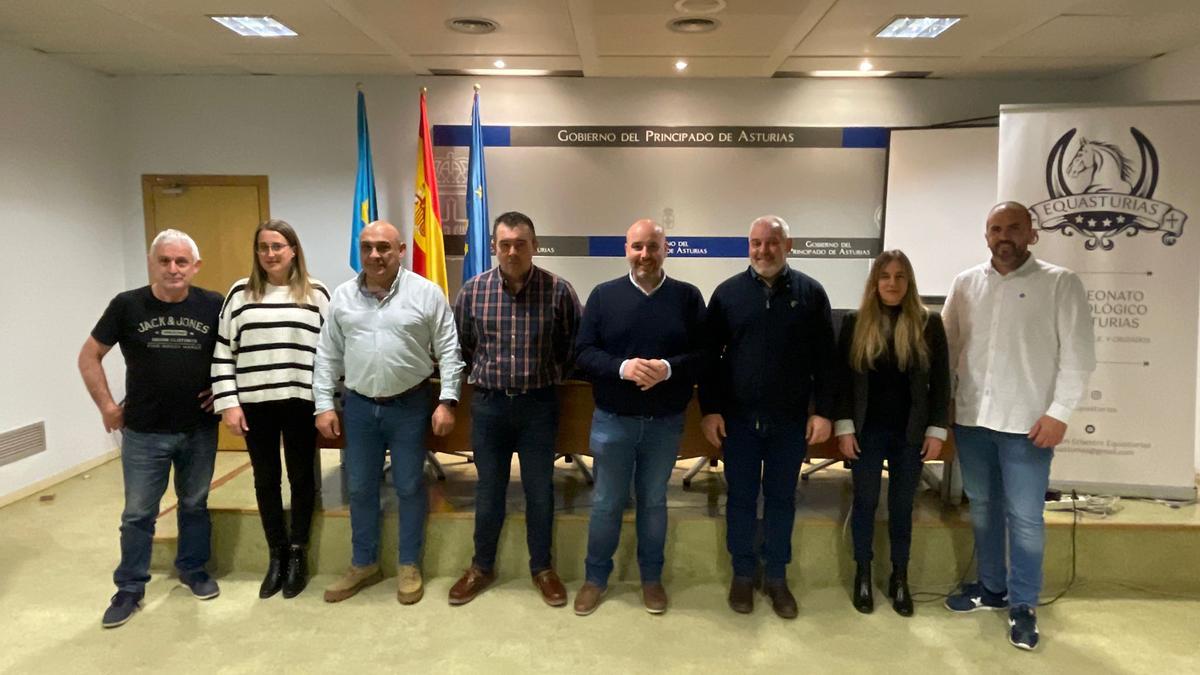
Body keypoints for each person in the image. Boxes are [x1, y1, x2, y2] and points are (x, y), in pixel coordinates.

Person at [941, 201, 1095, 651]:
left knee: (1025, 519)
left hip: (1029, 424)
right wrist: (946, 404)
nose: (1003, 236)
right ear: (985, 235)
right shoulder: (965, 284)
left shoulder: (1061, 283)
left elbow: (1079, 355)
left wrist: (1060, 413)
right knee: (984, 508)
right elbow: (949, 348)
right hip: (972, 421)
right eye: (995, 229)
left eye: (1013, 228)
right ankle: (991, 589)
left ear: (1032, 234)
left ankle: (1023, 604)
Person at [78, 229, 224, 628]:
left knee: (194, 505)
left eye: (181, 262)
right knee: (138, 514)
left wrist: (225, 391)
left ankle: (193, 570)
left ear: (195, 266)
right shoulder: (127, 306)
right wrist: (107, 405)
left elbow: (235, 355)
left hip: (198, 429)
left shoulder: (214, 304)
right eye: (165, 260)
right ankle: (129, 587)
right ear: (152, 263)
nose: (173, 269)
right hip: (144, 432)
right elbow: (89, 356)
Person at [312, 220, 464, 605]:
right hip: (359, 407)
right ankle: (364, 563)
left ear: (400, 251)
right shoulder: (343, 297)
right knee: (360, 488)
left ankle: (409, 564)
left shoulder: (427, 294)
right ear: (359, 252)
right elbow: (327, 356)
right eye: (367, 247)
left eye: (383, 247)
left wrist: (447, 401)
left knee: (410, 486)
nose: (375, 255)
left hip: (410, 406)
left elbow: (449, 351)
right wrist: (324, 404)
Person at [700, 215, 835, 619]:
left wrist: (824, 411)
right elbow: (709, 360)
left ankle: (776, 576)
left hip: (789, 422)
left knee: (781, 500)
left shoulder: (811, 294)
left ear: (788, 246)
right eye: (756, 243)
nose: (763, 250)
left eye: (772, 242)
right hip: (738, 422)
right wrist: (710, 411)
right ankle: (743, 575)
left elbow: (827, 361)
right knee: (740, 499)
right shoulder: (727, 295)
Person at [572, 219, 706, 616]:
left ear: (666, 249)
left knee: (653, 502)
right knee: (606, 503)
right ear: (625, 249)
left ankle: (651, 579)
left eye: (653, 246)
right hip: (614, 420)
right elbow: (582, 354)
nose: (645, 255)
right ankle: (595, 579)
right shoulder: (602, 296)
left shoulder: (687, 297)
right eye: (637, 247)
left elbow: (705, 356)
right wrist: (622, 367)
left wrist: (667, 368)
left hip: (665, 422)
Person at [449, 211, 582, 607]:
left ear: (534, 246)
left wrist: (549, 374)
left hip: (538, 407)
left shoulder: (559, 291)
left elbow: (573, 347)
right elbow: (463, 346)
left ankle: (542, 568)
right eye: (504, 244)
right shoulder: (473, 291)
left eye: (520, 244)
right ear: (494, 247)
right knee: (489, 491)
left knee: (540, 491)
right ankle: (481, 566)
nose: (511, 251)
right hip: (489, 407)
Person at [211, 219, 329, 600]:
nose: (270, 253)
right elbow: (222, 352)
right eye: (263, 247)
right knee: (265, 480)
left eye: (278, 246)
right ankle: (275, 554)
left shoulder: (317, 294)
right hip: (255, 405)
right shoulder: (239, 294)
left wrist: (326, 402)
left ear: (293, 250)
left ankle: (297, 553)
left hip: (301, 402)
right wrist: (228, 403)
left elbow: (331, 354)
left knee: (301, 479)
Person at [833, 250, 950, 616]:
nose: (892, 283)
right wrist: (845, 427)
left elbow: (941, 381)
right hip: (866, 432)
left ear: (909, 282)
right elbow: (842, 383)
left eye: (900, 276)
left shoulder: (928, 324)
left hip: (910, 434)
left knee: (902, 507)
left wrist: (936, 430)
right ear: (875, 282)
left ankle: (900, 577)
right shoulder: (855, 322)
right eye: (885, 276)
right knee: (865, 504)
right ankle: (863, 574)